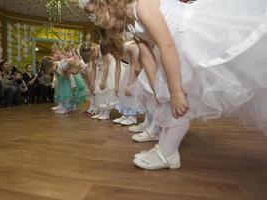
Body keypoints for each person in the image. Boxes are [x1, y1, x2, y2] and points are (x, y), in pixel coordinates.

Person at [80, 0, 267, 170]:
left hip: (190, 38)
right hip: (176, 47)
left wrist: (175, 91)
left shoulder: (142, 6)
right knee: (169, 102)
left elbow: (167, 45)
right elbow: (148, 57)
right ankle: (166, 149)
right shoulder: (132, 21)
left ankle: (167, 152)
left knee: (180, 100)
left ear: (105, 4)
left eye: (93, 12)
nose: (95, 19)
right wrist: (156, 90)